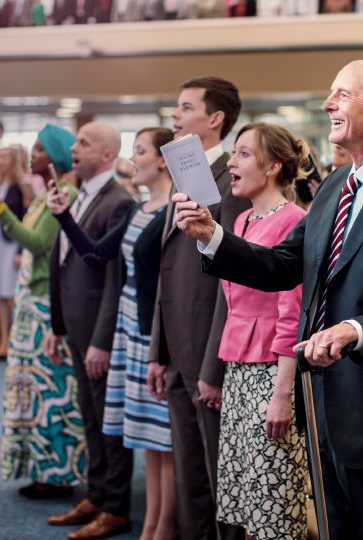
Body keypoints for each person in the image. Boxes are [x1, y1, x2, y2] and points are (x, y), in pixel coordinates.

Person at [172, 59, 363, 539]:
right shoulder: (333, 189)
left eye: (342, 95)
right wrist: (213, 236)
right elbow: (281, 266)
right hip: (322, 400)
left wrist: (354, 330)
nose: (328, 105)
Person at [48, 127, 176, 540]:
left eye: (138, 150)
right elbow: (95, 254)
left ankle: (152, 521)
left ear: (162, 160)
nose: (131, 159)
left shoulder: (171, 208)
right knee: (129, 425)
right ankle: (140, 518)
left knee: (153, 433)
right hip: (126, 325)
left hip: (147, 330)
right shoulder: (139, 207)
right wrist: (63, 216)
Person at [146, 76, 250, 540]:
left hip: (209, 354)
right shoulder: (183, 171)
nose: (174, 114)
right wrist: (157, 349)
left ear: (214, 119)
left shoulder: (235, 179)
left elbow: (233, 282)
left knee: (217, 478)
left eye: (185, 107)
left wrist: (214, 366)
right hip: (176, 349)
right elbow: (169, 268)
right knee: (190, 479)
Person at [205, 123, 310, 539]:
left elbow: (292, 314)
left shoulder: (294, 221)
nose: (231, 161)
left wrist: (282, 395)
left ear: (273, 166)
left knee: (275, 504)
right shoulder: (245, 219)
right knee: (250, 500)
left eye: (244, 154)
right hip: (240, 371)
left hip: (272, 375)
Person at [0, 123, 88, 500]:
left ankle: (57, 474)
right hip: (31, 302)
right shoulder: (47, 193)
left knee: (50, 390)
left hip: (45, 308)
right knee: (29, 391)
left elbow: (38, 243)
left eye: (39, 150)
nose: (33, 155)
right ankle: (39, 468)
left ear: (53, 157)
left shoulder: (66, 192)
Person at [44, 121, 135, 540]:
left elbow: (110, 276)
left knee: (108, 421)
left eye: (83, 142)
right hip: (77, 327)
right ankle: (97, 495)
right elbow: (64, 262)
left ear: (106, 155)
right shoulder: (79, 196)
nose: (73, 148)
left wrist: (101, 340)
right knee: (90, 417)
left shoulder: (119, 201)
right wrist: (57, 325)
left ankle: (116, 506)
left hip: (101, 332)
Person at [0, 147, 26, 358]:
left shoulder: (20, 187)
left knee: (10, 294)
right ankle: (2, 340)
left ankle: (13, 340)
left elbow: (24, 219)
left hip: (12, 243)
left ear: (13, 161)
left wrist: (21, 250)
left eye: (4, 157)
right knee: (0, 295)